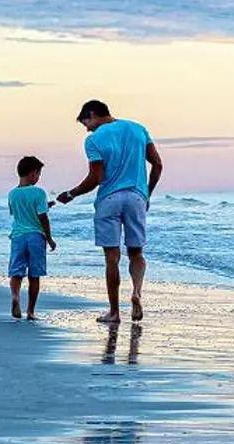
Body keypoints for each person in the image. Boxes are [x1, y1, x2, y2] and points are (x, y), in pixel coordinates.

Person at [56, 99, 162, 326]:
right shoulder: (138, 129)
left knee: (112, 258)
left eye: (86, 123)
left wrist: (71, 194)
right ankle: (136, 292)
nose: (87, 129)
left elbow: (95, 178)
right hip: (136, 198)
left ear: (93, 114)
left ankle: (114, 312)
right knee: (136, 253)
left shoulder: (93, 140)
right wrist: (147, 194)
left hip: (109, 200)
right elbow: (158, 165)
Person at [7, 155, 55, 320]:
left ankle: (15, 297)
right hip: (36, 236)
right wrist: (49, 238)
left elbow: (18, 213)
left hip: (18, 236)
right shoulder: (39, 192)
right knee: (34, 275)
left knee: (16, 272)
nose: (38, 177)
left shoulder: (12, 194)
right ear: (33, 173)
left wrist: (45, 206)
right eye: (38, 173)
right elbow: (42, 217)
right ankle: (30, 311)